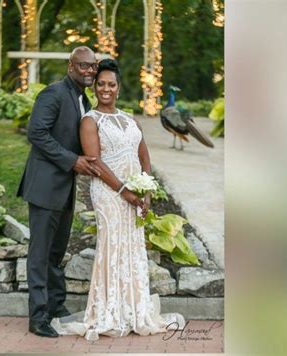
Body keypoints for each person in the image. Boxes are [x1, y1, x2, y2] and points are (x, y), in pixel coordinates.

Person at [50, 59, 185, 341]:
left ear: (119, 88)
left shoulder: (129, 118)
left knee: (133, 248)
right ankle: (109, 312)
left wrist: (146, 189)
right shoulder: (90, 120)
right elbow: (95, 162)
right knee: (112, 247)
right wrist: (124, 191)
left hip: (135, 194)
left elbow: (143, 155)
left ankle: (135, 310)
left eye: (111, 84)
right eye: (101, 84)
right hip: (109, 195)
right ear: (95, 88)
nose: (106, 89)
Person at [16, 46, 101, 338]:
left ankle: (55, 305)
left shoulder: (81, 98)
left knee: (56, 252)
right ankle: (38, 318)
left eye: (92, 66)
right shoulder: (53, 93)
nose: (89, 71)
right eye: (83, 66)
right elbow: (36, 132)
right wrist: (72, 160)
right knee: (40, 254)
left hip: (64, 189)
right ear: (71, 66)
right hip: (44, 187)